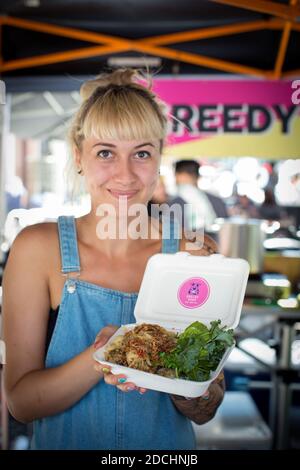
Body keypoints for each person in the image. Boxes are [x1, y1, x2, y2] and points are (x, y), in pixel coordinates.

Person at [2, 69, 224, 451]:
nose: (124, 174)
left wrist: (186, 384)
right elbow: (21, 403)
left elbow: (206, 409)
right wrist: (106, 355)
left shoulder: (192, 253)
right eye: (106, 152)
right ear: (79, 157)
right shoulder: (37, 249)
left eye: (141, 153)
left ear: (158, 160)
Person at [174, 160, 229, 231]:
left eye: (176, 175)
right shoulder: (217, 201)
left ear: (181, 175)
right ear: (198, 176)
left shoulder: (175, 203)